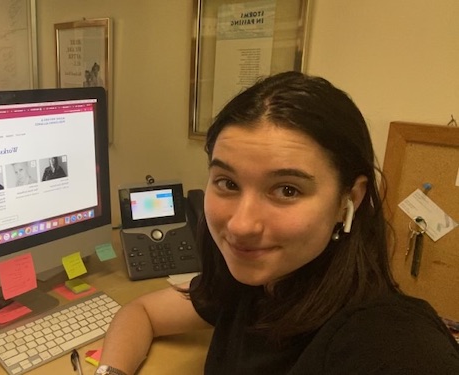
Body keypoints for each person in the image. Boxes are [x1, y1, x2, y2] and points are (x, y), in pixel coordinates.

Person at [98, 72, 459, 374]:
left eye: (287, 190)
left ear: (349, 199)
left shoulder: (392, 345)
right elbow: (141, 311)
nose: (241, 226)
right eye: (228, 183)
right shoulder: (257, 280)